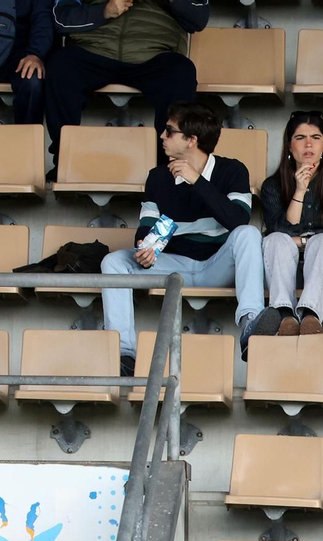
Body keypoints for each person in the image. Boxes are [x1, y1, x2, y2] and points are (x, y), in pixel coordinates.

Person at [99, 101, 262, 374]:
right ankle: (123, 354)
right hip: (174, 266)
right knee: (114, 262)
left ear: (191, 140)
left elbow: (237, 220)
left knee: (248, 234)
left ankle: (251, 325)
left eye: (169, 131)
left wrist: (197, 181)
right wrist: (145, 248)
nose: (162, 136)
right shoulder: (158, 177)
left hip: (217, 265)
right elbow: (148, 225)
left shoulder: (232, 170)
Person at [46, 0, 205, 163]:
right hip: (94, 49)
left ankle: (170, 168)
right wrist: (103, 11)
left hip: (155, 52)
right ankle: (64, 162)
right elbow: (61, 19)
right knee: (61, 65)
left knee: (181, 71)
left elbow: (199, 18)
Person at [258, 110, 323, 336]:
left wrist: (303, 240)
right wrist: (300, 191)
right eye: (300, 137)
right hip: (285, 273)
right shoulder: (272, 186)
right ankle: (284, 316)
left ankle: (310, 317)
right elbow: (278, 233)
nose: (308, 144)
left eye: (315, 138)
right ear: (289, 146)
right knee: (275, 240)